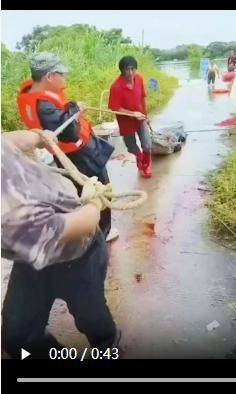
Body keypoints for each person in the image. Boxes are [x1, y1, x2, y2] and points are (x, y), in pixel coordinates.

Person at [1, 130, 121, 359]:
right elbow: (81, 222)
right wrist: (94, 204)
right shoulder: (10, 216)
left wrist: (34, 137)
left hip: (78, 253)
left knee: (90, 315)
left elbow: (82, 226)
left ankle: (108, 344)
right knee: (17, 336)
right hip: (30, 257)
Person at [17, 52, 119, 242]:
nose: (65, 77)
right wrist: (74, 108)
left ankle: (92, 229)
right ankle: (101, 233)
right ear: (49, 76)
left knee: (82, 191)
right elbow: (70, 133)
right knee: (99, 191)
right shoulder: (44, 106)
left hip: (71, 153)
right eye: (61, 74)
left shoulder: (33, 93)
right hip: (79, 156)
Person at [108, 56, 152, 178]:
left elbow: (143, 97)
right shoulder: (116, 87)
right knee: (131, 146)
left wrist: (145, 115)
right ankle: (139, 158)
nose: (130, 73)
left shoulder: (139, 79)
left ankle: (146, 165)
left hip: (141, 118)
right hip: (126, 122)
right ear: (122, 70)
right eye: (127, 69)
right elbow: (115, 108)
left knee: (147, 144)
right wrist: (132, 114)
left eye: (133, 69)